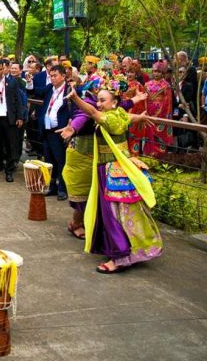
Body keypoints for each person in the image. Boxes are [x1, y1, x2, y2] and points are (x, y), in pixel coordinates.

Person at [66, 76, 162, 273]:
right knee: (120, 212)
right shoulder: (119, 114)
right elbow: (129, 117)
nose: (99, 104)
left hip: (112, 171)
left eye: (103, 100)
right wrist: (140, 117)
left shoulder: (109, 118)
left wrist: (75, 98)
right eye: (98, 99)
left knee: (113, 213)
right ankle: (129, 249)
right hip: (115, 169)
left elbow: (92, 112)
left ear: (115, 102)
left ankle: (120, 256)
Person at [37, 65, 72, 200]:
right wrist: (28, 81)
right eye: (50, 76)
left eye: (55, 75)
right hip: (47, 129)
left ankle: (62, 188)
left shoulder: (69, 90)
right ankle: (52, 186)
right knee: (49, 160)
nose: (52, 78)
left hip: (60, 130)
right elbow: (35, 91)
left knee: (61, 160)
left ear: (63, 76)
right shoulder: (49, 89)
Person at [142, 62, 174, 155]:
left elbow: (167, 103)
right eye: (154, 71)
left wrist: (159, 115)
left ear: (163, 73)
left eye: (159, 72)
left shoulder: (166, 85)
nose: (156, 73)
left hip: (161, 115)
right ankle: (148, 154)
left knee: (159, 137)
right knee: (148, 136)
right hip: (148, 113)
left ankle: (159, 155)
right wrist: (145, 111)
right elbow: (144, 99)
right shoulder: (147, 84)